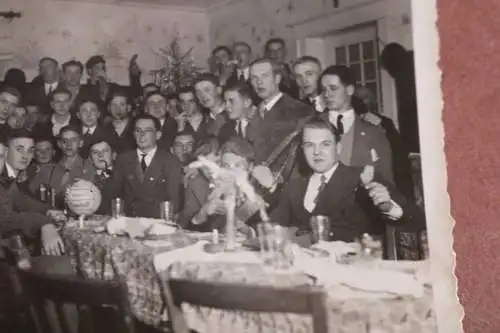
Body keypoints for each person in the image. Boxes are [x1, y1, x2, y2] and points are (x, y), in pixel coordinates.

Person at [270, 118, 425, 242]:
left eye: (325, 144)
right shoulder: (294, 187)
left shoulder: (361, 178)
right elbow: (272, 227)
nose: (316, 152)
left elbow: (414, 218)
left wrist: (388, 206)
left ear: (338, 148)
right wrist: (251, 230)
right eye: (309, 145)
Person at [318, 65, 395, 184]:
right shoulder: (314, 125)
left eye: (333, 88)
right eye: (324, 89)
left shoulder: (372, 129)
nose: (327, 95)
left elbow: (386, 178)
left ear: (350, 90)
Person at [110, 114, 183, 217]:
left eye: (148, 130)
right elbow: (115, 196)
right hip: (129, 222)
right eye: (138, 130)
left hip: (157, 223)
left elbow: (173, 201)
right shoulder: (123, 159)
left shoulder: (170, 161)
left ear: (158, 135)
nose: (142, 134)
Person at [28, 125, 94, 208]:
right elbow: (29, 197)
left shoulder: (88, 167)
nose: (68, 144)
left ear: (80, 143)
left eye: (73, 140)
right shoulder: (48, 170)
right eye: (64, 141)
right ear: (59, 144)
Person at [194, 73, 229, 137]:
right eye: (198, 92)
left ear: (219, 90)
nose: (203, 95)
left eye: (207, 90)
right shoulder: (203, 122)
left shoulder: (232, 113)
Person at [88, 139, 115, 215]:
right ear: (90, 159)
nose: (100, 155)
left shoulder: (123, 177)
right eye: (95, 152)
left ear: (113, 155)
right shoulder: (86, 179)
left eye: (105, 151)